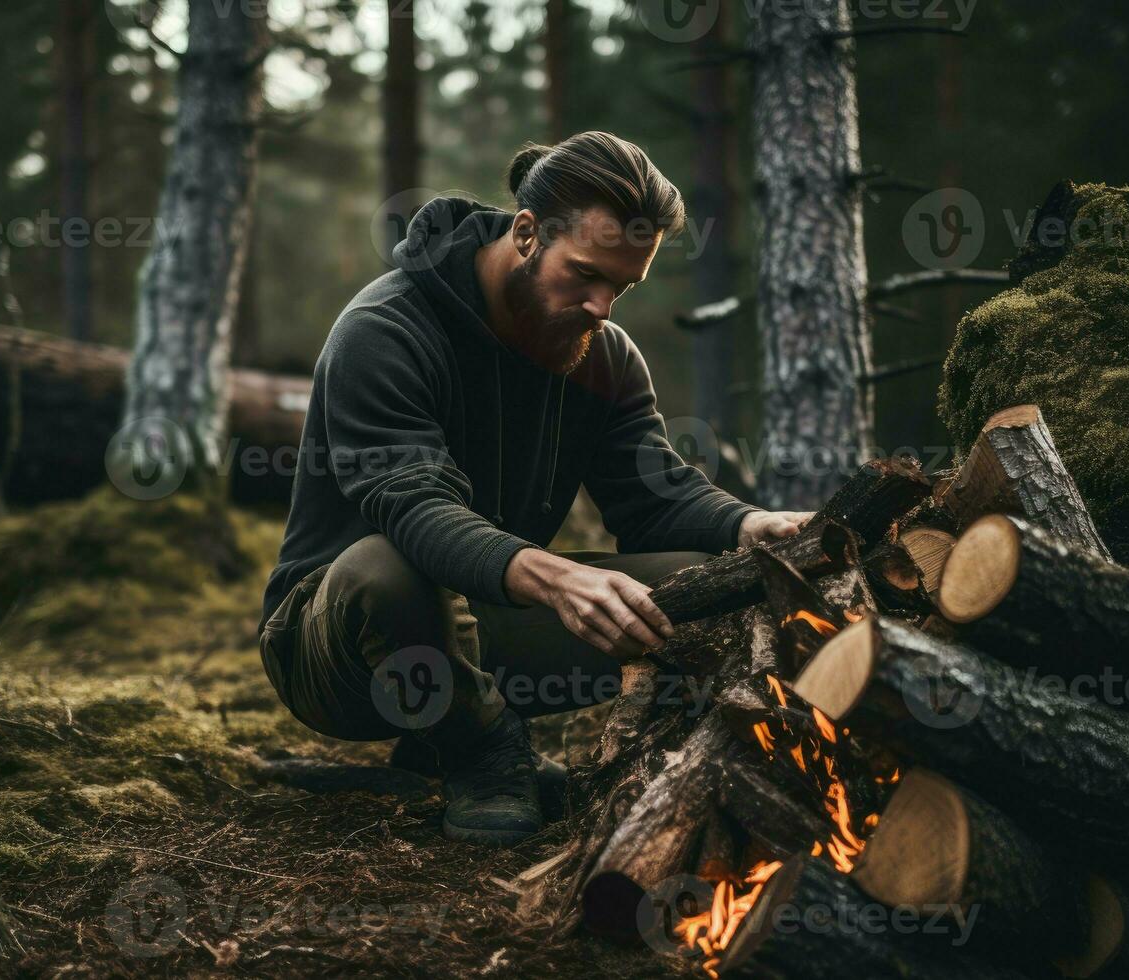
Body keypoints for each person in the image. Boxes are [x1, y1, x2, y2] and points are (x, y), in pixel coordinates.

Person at [260, 132, 812, 846]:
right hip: (336, 646)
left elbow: (653, 496)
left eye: (621, 286)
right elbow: (413, 506)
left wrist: (750, 528)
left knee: (723, 586)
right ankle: (482, 747)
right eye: (583, 275)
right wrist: (555, 577)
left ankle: (463, 722)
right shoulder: (385, 330)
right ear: (526, 232)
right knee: (385, 569)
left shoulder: (600, 355)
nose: (601, 306)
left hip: (481, 617)